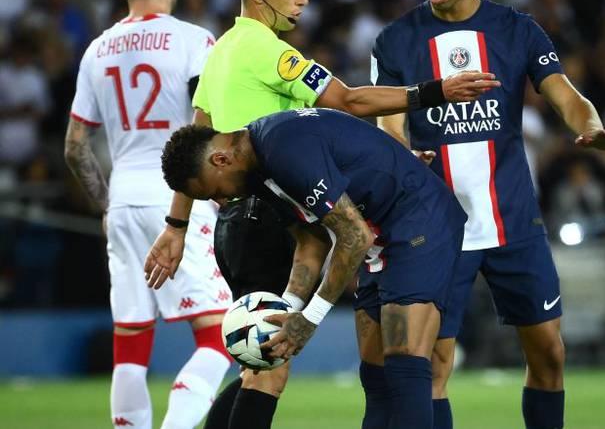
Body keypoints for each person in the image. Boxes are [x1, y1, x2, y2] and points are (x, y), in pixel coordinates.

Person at [141, 0, 498, 429]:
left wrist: (177, 224)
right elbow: (348, 100)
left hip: (240, 221)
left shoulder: (220, 51)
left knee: (259, 363)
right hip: (270, 216)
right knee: (269, 368)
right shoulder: (267, 52)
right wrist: (434, 91)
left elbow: (198, 136)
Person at [369, 0, 605, 429]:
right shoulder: (396, 41)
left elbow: (564, 94)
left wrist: (591, 126)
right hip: (439, 229)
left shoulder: (517, 30)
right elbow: (389, 122)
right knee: (436, 366)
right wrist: (402, 154)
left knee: (549, 353)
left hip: (511, 219)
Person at [159, 108, 468, 429]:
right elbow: (312, 239)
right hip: (379, 234)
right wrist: (284, 311)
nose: (222, 202)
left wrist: (310, 318)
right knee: (375, 377)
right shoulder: (258, 167)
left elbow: (354, 235)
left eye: (215, 193)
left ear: (220, 161)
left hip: (418, 219)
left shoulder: (285, 149)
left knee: (405, 363)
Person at [65, 0, 232, 429]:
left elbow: (75, 147)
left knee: (131, 342)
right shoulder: (194, 40)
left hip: (122, 200)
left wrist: (105, 205)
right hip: (178, 200)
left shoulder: (97, 52)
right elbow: (211, 124)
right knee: (218, 336)